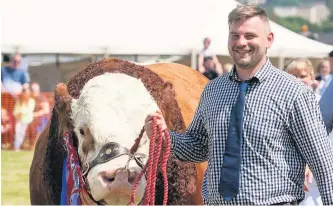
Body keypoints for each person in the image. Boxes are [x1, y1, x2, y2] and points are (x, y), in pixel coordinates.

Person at [144, 5, 333, 205]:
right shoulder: (213, 91)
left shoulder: (295, 93)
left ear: (269, 39)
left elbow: (323, 164)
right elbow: (198, 147)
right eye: (235, 36)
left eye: (250, 36)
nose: (241, 43)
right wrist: (164, 136)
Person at [13, 86, 35, 151]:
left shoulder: (32, 101)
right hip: (20, 120)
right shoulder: (19, 101)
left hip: (28, 121)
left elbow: (29, 111)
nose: (27, 94)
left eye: (28, 93)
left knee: (22, 133)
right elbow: (15, 112)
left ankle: (20, 146)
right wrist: (19, 114)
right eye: (26, 93)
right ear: (23, 93)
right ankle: (16, 147)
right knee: (18, 132)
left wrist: (21, 112)